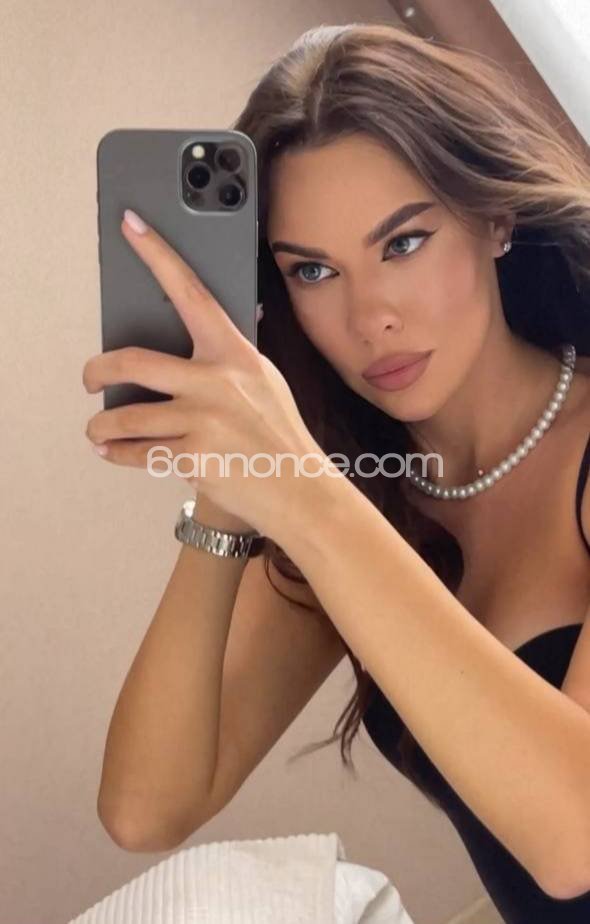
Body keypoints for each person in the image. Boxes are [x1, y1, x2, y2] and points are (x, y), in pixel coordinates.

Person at [86, 22, 590, 924]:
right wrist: (228, 489)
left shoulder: (331, 508)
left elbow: (574, 836)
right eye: (314, 270)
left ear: (494, 218)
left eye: (403, 243)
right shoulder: (359, 499)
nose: (370, 318)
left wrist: (303, 493)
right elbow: (147, 807)